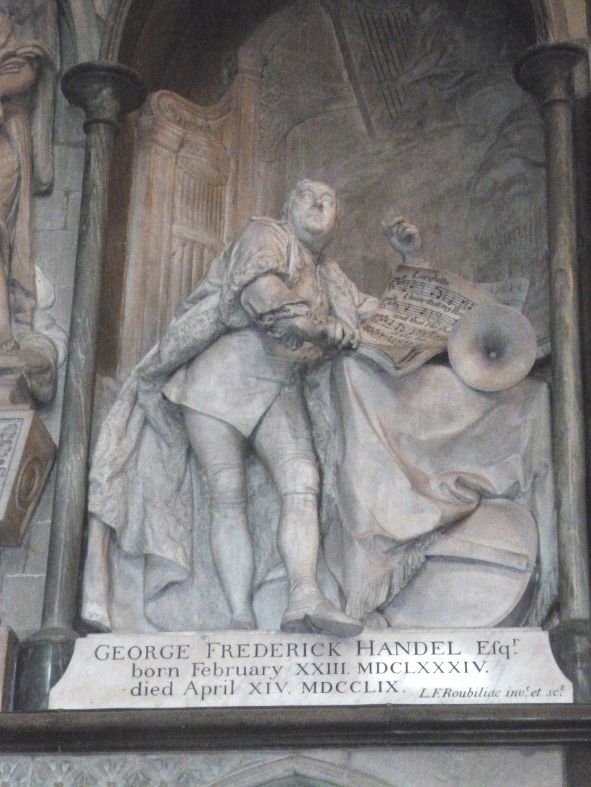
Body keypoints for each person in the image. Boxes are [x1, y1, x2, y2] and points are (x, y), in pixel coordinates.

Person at [85, 180, 381, 636]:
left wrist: (414, 265)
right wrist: (322, 329)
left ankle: (303, 596)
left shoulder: (331, 277)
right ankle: (239, 616)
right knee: (228, 495)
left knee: (302, 481)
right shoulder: (266, 235)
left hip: (279, 383)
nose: (320, 203)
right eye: (308, 196)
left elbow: (378, 315)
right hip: (219, 380)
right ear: (287, 206)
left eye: (330, 199)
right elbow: (265, 298)